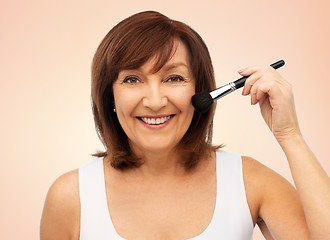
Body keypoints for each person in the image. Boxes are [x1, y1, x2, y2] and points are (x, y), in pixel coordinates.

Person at [40, 11, 330, 240]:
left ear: (201, 90)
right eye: (132, 79)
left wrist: (289, 135)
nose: (154, 101)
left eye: (174, 78)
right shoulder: (70, 196)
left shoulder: (250, 182)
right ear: (110, 97)